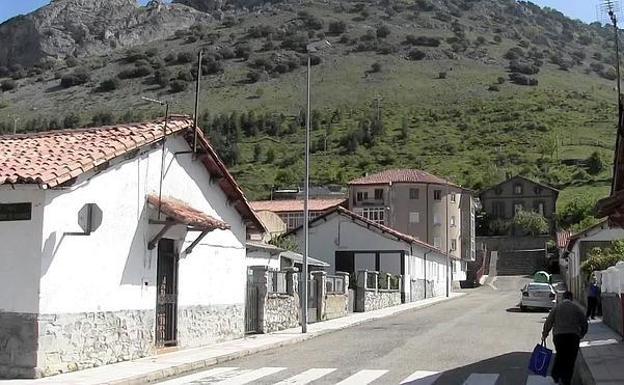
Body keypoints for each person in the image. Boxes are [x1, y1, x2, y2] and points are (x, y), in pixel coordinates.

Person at [542, 291, 588, 385]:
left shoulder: (557, 308)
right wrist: (581, 334)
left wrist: (545, 334)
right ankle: (566, 379)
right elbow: (584, 323)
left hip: (559, 336)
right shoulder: (577, 308)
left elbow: (549, 322)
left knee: (560, 355)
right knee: (570, 359)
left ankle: (556, 376)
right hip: (573, 337)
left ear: (563, 298)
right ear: (571, 298)